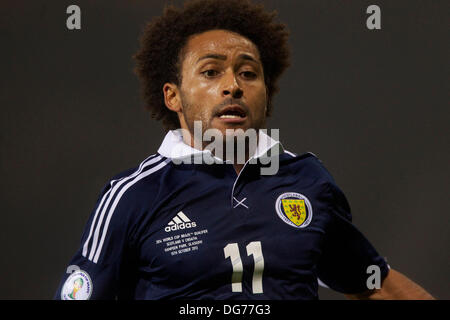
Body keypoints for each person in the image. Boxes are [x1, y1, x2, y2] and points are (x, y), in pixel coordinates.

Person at [55, 0, 434, 300]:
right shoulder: (133, 196)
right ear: (173, 96)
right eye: (211, 72)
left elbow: (374, 284)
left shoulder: (305, 179)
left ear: (266, 96)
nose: (233, 86)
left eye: (248, 73)